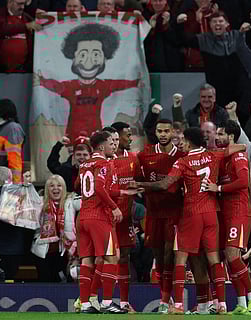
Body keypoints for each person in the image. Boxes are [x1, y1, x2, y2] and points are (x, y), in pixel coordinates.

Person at [133, 127, 245, 314]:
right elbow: (240, 147)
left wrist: (141, 184)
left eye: (183, 140)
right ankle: (222, 304)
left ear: (190, 141)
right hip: (211, 213)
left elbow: (164, 184)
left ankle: (177, 305)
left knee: (180, 257)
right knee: (214, 258)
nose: (181, 143)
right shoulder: (214, 155)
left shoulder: (183, 162)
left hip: (192, 213)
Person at [33, 23, 142, 139]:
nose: (89, 61)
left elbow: (119, 84)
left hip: (96, 132)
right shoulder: (70, 86)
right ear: (73, 56)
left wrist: (136, 82)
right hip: (73, 133)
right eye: (83, 54)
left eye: (96, 54)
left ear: (105, 57)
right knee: (76, 156)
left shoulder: (103, 85)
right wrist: (41, 81)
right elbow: (56, 86)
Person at [75, 131, 141, 314]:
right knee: (112, 257)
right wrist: (114, 207)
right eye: (110, 142)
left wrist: (122, 193)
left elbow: (79, 186)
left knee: (87, 260)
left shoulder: (84, 165)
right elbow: (98, 187)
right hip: (99, 217)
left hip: (83, 217)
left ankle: (86, 303)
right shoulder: (103, 163)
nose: (113, 145)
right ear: (102, 146)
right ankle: (106, 303)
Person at [202, 119, 251, 315]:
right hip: (225, 212)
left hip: (239, 211)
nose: (216, 137)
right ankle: (242, 303)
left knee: (232, 255)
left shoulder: (238, 157)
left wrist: (217, 188)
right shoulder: (222, 156)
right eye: (216, 134)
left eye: (220, 134)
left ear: (231, 137)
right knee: (229, 258)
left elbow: (244, 181)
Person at [136, 118, 185, 313]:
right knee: (159, 257)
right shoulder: (145, 155)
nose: (163, 134)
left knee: (168, 255)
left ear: (173, 131)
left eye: (166, 131)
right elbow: (136, 178)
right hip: (153, 213)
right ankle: (165, 298)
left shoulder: (181, 156)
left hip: (174, 213)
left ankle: (166, 301)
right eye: (159, 131)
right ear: (155, 132)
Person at [177, 11, 251, 109]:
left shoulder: (237, 36)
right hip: (217, 91)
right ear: (210, 24)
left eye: (220, 21)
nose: (217, 24)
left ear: (227, 24)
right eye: (214, 22)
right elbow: (184, 39)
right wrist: (181, 24)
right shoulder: (204, 40)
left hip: (238, 89)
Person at [109, 121, 140, 312]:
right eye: (127, 135)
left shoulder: (134, 158)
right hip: (108, 217)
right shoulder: (107, 159)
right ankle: (94, 299)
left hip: (126, 218)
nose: (130, 138)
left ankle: (123, 302)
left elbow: (140, 182)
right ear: (116, 137)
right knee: (104, 258)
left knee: (125, 258)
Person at [32, 175, 78, 282]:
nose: (55, 188)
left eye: (59, 185)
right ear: (47, 189)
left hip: (64, 251)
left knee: (62, 280)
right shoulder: (40, 202)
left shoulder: (71, 201)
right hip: (43, 251)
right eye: (51, 186)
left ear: (64, 188)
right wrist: (25, 185)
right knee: (45, 281)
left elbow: (86, 201)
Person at [0, 0, 42, 72]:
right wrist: (25, 26)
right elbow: (2, 29)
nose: (22, 7)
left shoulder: (27, 18)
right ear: (9, 2)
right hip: (0, 69)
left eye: (24, 4)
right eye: (19, 4)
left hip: (23, 69)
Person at [0, 99, 25, 183]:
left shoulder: (13, 129)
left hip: (3, 180)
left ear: (4, 110)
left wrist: (15, 185)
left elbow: (15, 160)